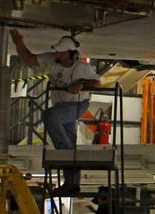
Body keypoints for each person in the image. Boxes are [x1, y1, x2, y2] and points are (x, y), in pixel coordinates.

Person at [9, 30, 100, 195]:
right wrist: (19, 44)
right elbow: (29, 59)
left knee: (51, 115)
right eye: (57, 51)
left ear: (71, 55)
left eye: (61, 52)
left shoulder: (82, 68)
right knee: (69, 144)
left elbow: (97, 82)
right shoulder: (51, 60)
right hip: (62, 106)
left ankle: (63, 150)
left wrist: (81, 83)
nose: (57, 54)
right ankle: (71, 184)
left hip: (77, 105)